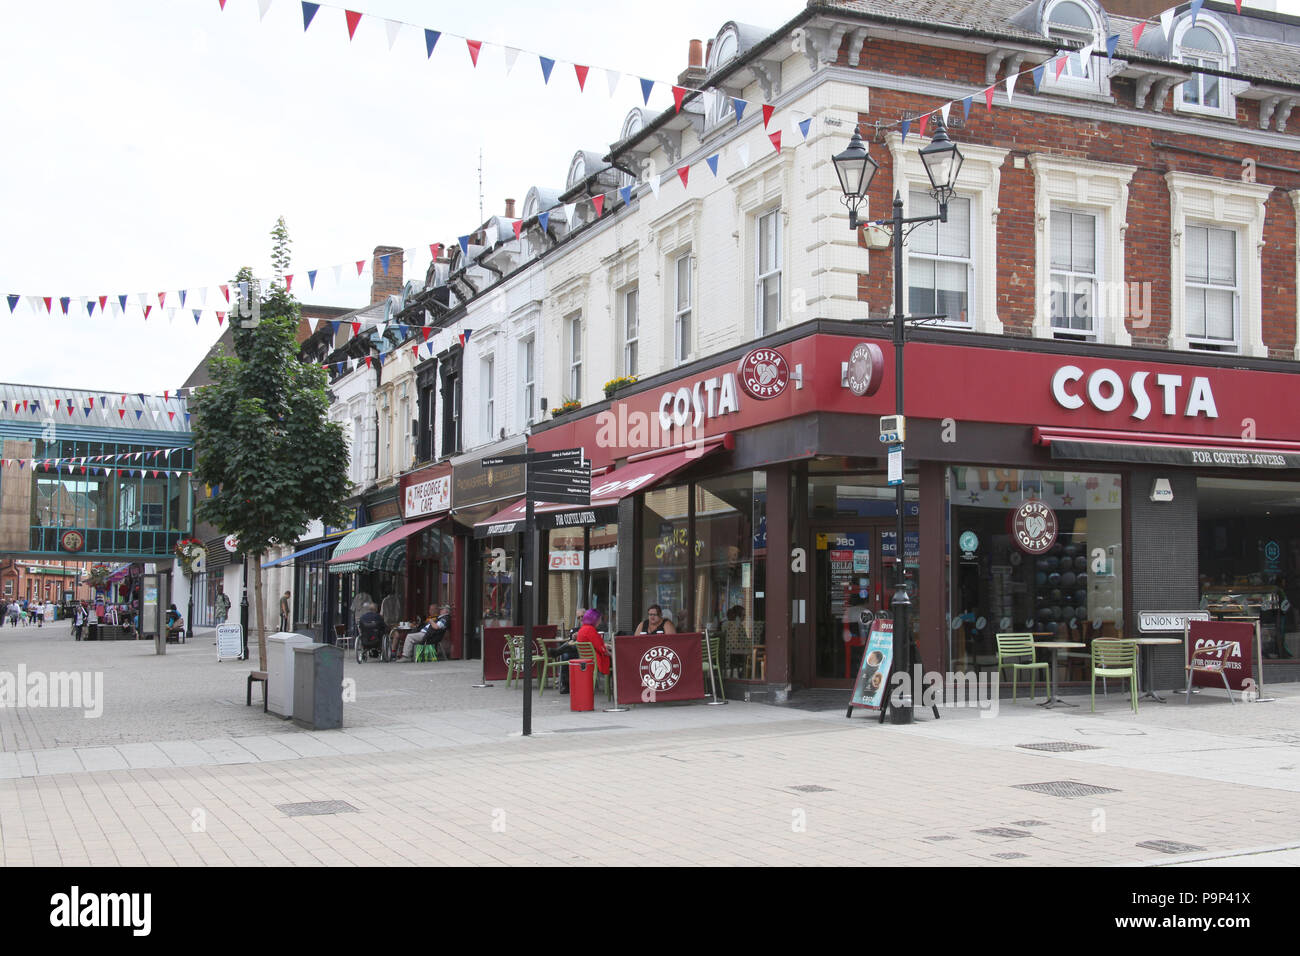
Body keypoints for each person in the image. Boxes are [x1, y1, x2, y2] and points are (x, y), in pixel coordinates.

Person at [552, 608, 610, 693]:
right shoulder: (590, 630)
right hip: (594, 659)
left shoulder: (583, 630)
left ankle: (557, 652)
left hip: (584, 657)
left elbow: (594, 644)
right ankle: (614, 688)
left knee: (566, 655)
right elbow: (600, 648)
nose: (581, 619)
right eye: (578, 617)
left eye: (582, 616)